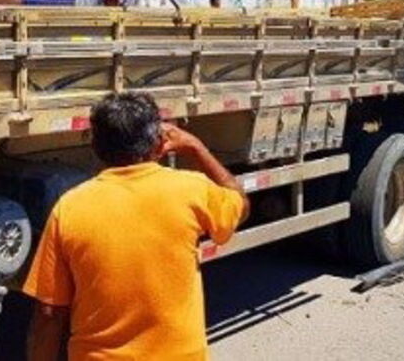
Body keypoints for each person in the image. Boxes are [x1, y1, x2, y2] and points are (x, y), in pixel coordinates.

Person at [23, 92, 249, 360]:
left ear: (95, 146)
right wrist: (196, 148)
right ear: (158, 142)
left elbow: (49, 313)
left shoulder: (70, 207)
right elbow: (241, 205)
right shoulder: (191, 190)